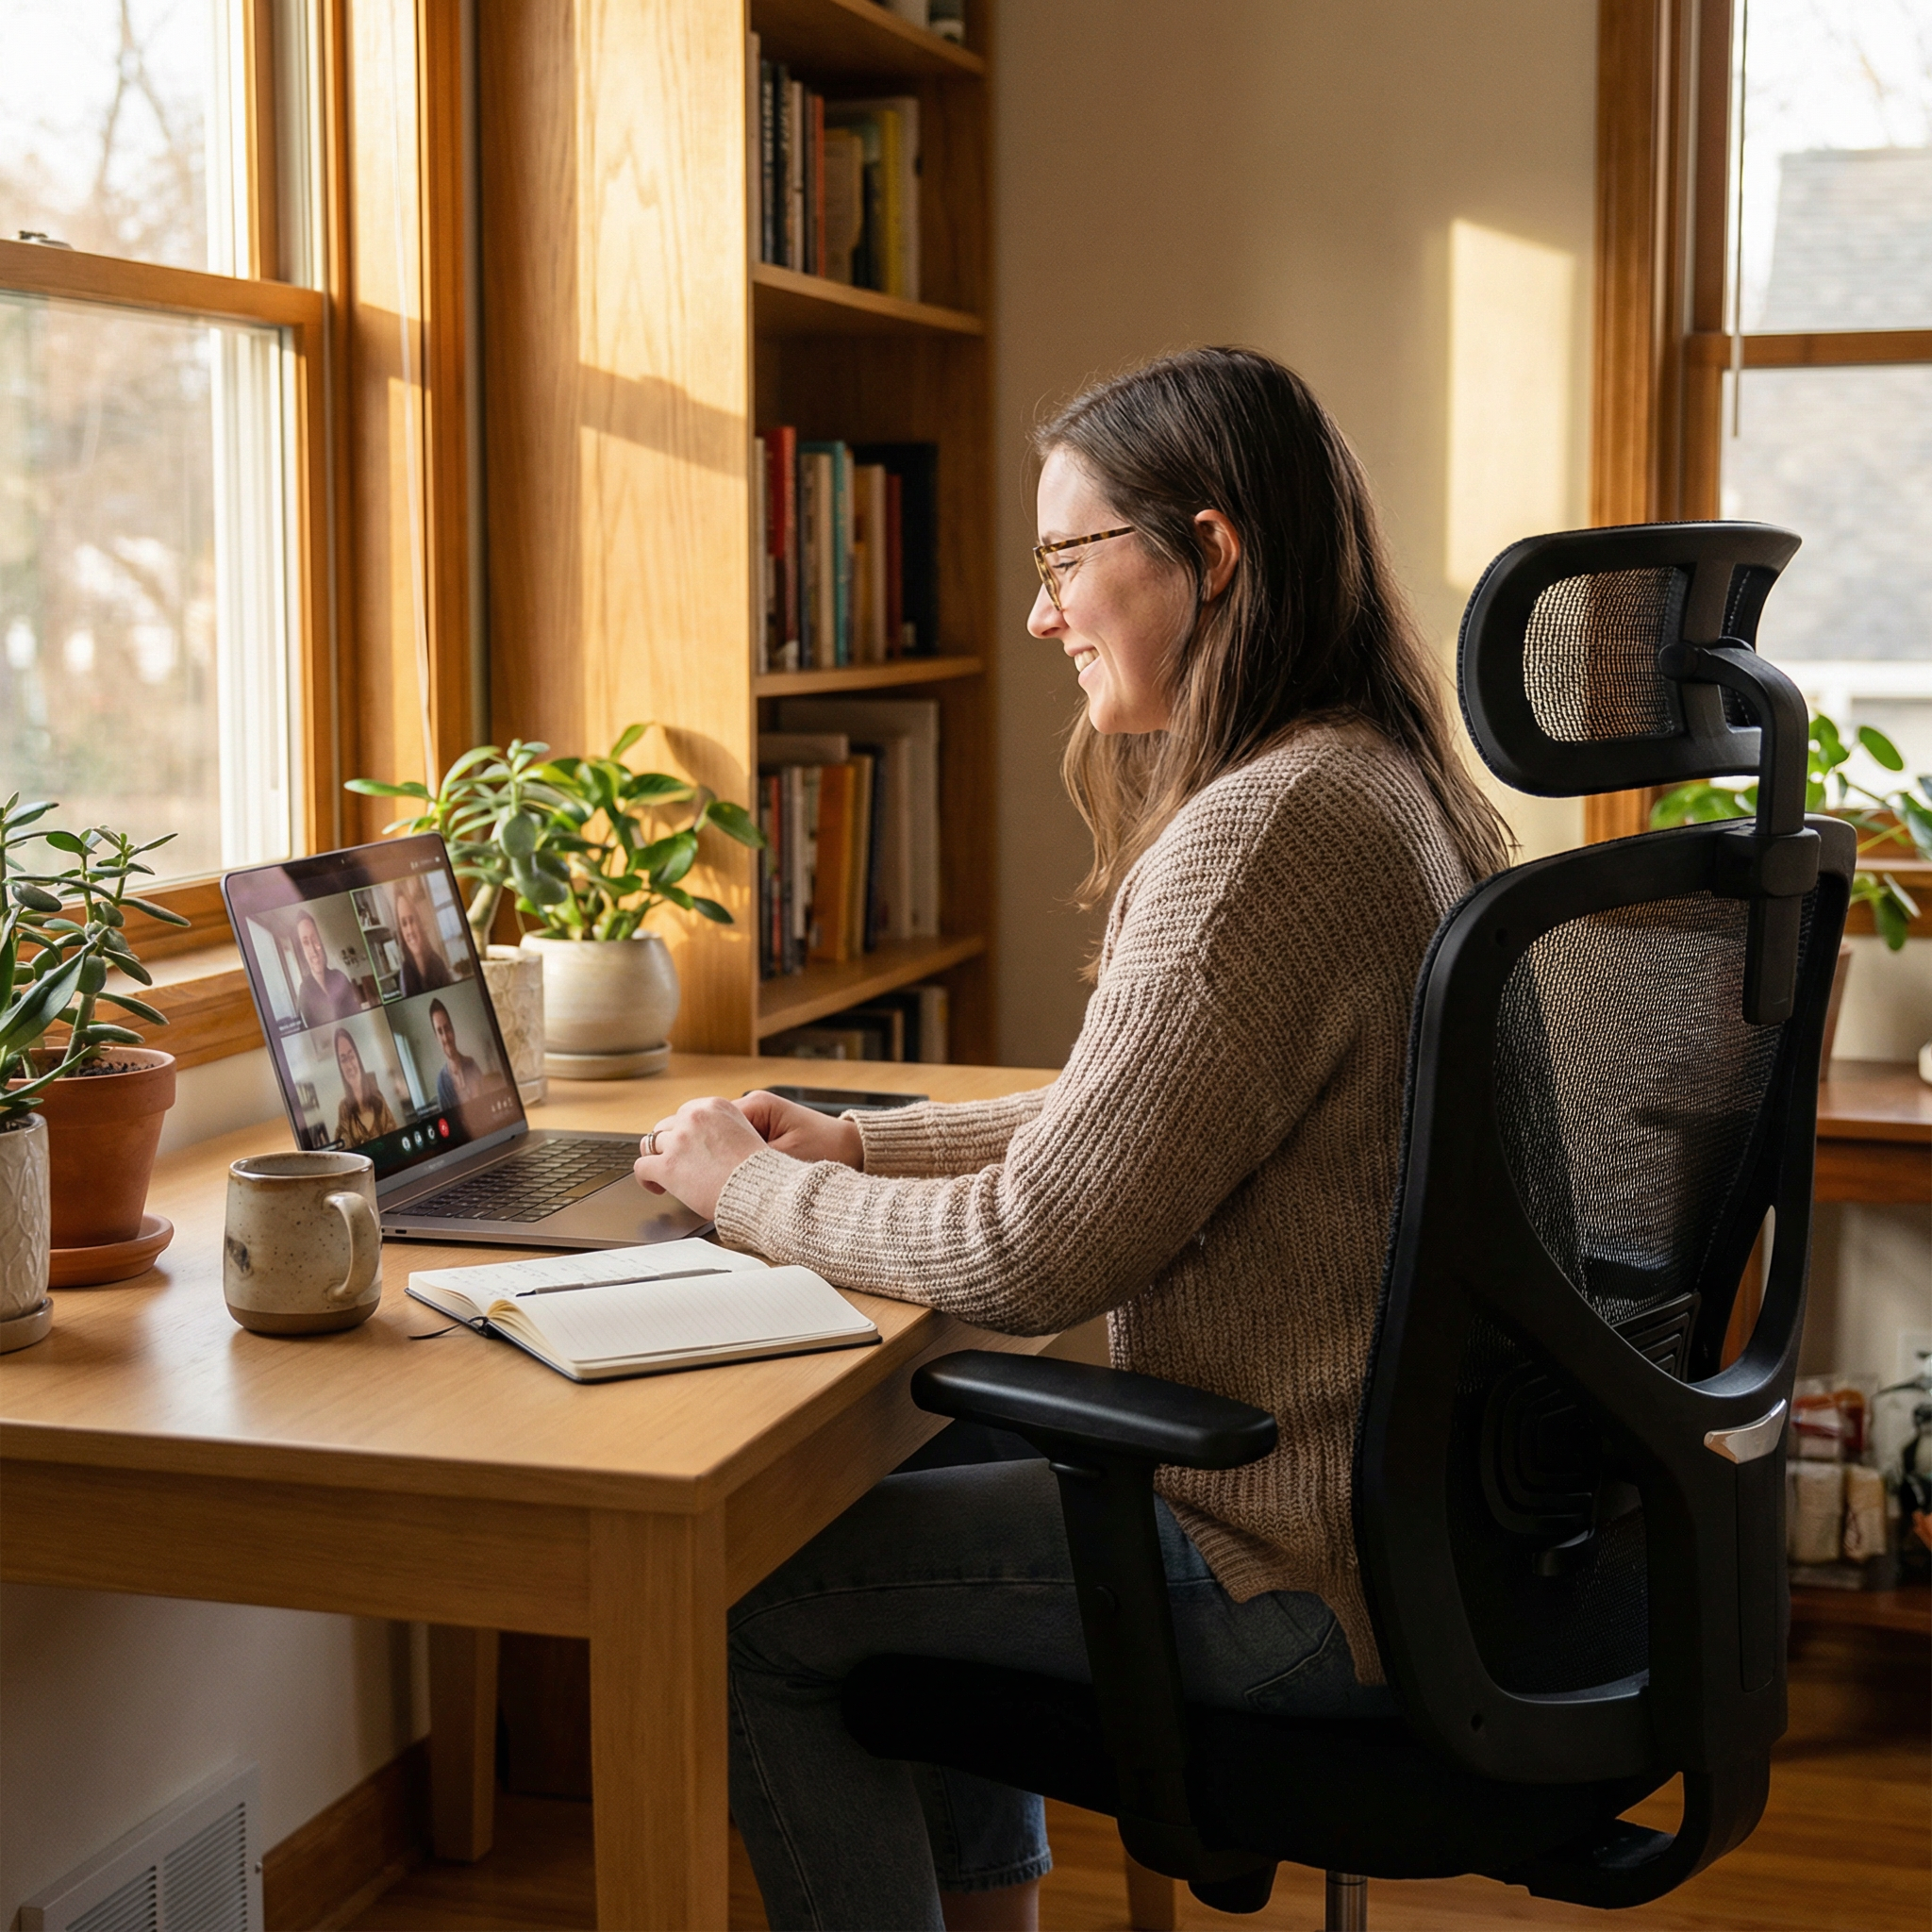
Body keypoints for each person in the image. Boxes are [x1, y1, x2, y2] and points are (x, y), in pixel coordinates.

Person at [635, 348, 1513, 1932]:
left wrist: (748, 1187)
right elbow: (1130, 1115)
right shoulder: (1376, 783)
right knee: (936, 1462)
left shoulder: (1261, 829)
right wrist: (850, 1141)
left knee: (744, 1601)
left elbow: (1036, 1247)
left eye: (1064, 560)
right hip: (1414, 1541)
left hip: (1290, 1572)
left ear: (1210, 553)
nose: (1041, 613)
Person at [331, 1027, 398, 1149]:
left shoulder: (378, 1097)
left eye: (351, 1056)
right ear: (340, 1066)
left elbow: (395, 1138)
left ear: (358, 1058)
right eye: (343, 1059)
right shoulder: (344, 1109)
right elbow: (341, 1153)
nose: (350, 1065)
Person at [292, 913, 358, 1030]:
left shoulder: (340, 977)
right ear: (302, 951)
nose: (313, 949)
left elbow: (358, 1018)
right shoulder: (304, 992)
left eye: (314, 939)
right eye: (306, 943)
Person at [393, 879, 454, 998]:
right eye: (404, 924)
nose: (410, 930)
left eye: (412, 920)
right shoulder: (404, 976)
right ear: (401, 932)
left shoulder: (439, 964)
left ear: (420, 923)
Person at [429, 997, 488, 1110]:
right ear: (436, 1038)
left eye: (447, 1029)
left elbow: (488, 1104)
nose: (445, 1038)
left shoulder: (471, 1064)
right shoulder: (441, 1082)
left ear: (453, 1029)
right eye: (440, 1032)